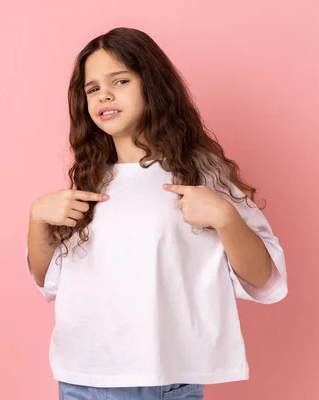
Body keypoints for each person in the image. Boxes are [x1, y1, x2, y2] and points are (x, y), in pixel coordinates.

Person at [26, 27, 288, 400]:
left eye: (120, 80)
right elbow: (48, 280)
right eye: (92, 88)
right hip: (81, 377)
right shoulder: (88, 179)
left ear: (152, 85)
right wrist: (37, 218)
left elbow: (264, 279)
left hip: (163, 377)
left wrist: (226, 218)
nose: (105, 95)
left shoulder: (201, 174)